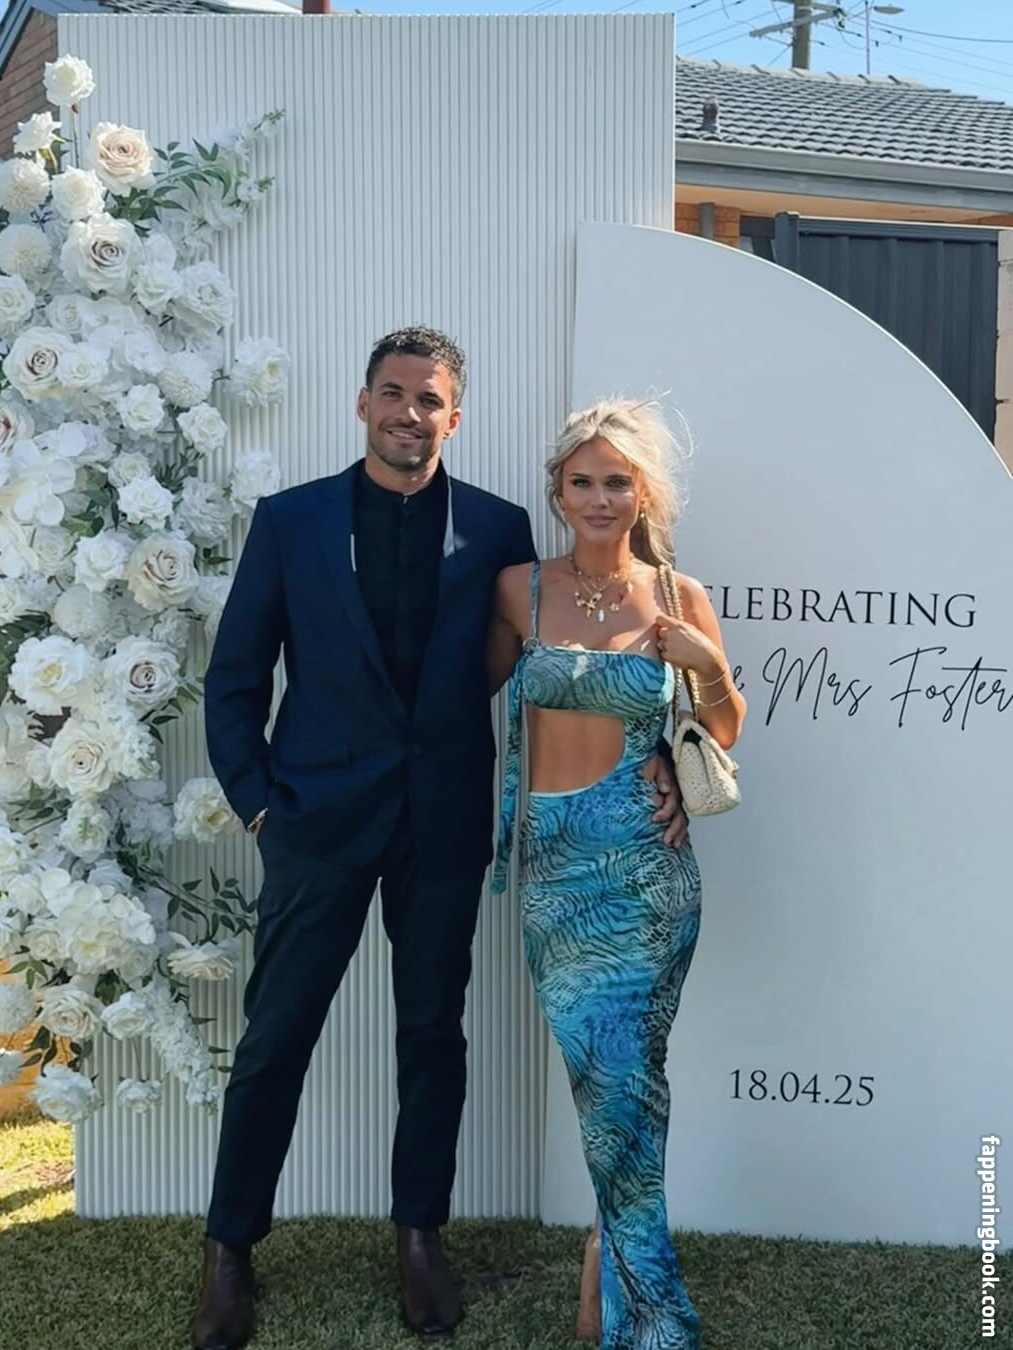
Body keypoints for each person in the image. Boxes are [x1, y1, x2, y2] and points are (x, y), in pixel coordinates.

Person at [192, 331, 687, 1350]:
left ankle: (420, 1236)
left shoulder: (501, 531)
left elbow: (561, 659)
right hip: (316, 824)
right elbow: (234, 679)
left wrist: (660, 760)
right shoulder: (290, 521)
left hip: (445, 823)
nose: (408, 414)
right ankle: (229, 1248)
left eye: (429, 401)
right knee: (276, 1037)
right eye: (393, 393)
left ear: (453, 418)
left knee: (432, 1034)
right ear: (363, 402)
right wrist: (261, 808)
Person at [488, 397, 746, 1350]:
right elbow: (460, 694)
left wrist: (705, 663)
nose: (600, 498)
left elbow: (723, 730)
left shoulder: (679, 595)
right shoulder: (518, 590)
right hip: (556, 872)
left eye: (618, 482)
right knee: (609, 1087)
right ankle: (613, 1257)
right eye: (583, 481)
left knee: (630, 1087)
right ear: (559, 491)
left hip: (649, 870)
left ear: (644, 495)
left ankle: (645, 1313)